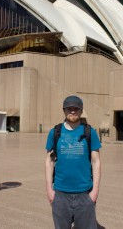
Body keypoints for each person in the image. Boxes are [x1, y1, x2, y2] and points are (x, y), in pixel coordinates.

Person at [45, 96, 101, 229]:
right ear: (64, 110)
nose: (73, 111)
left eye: (76, 108)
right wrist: (49, 190)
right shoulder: (55, 132)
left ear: (81, 111)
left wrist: (95, 192)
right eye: (69, 108)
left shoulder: (89, 132)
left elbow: (96, 161)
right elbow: (49, 162)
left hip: (85, 193)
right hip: (60, 194)